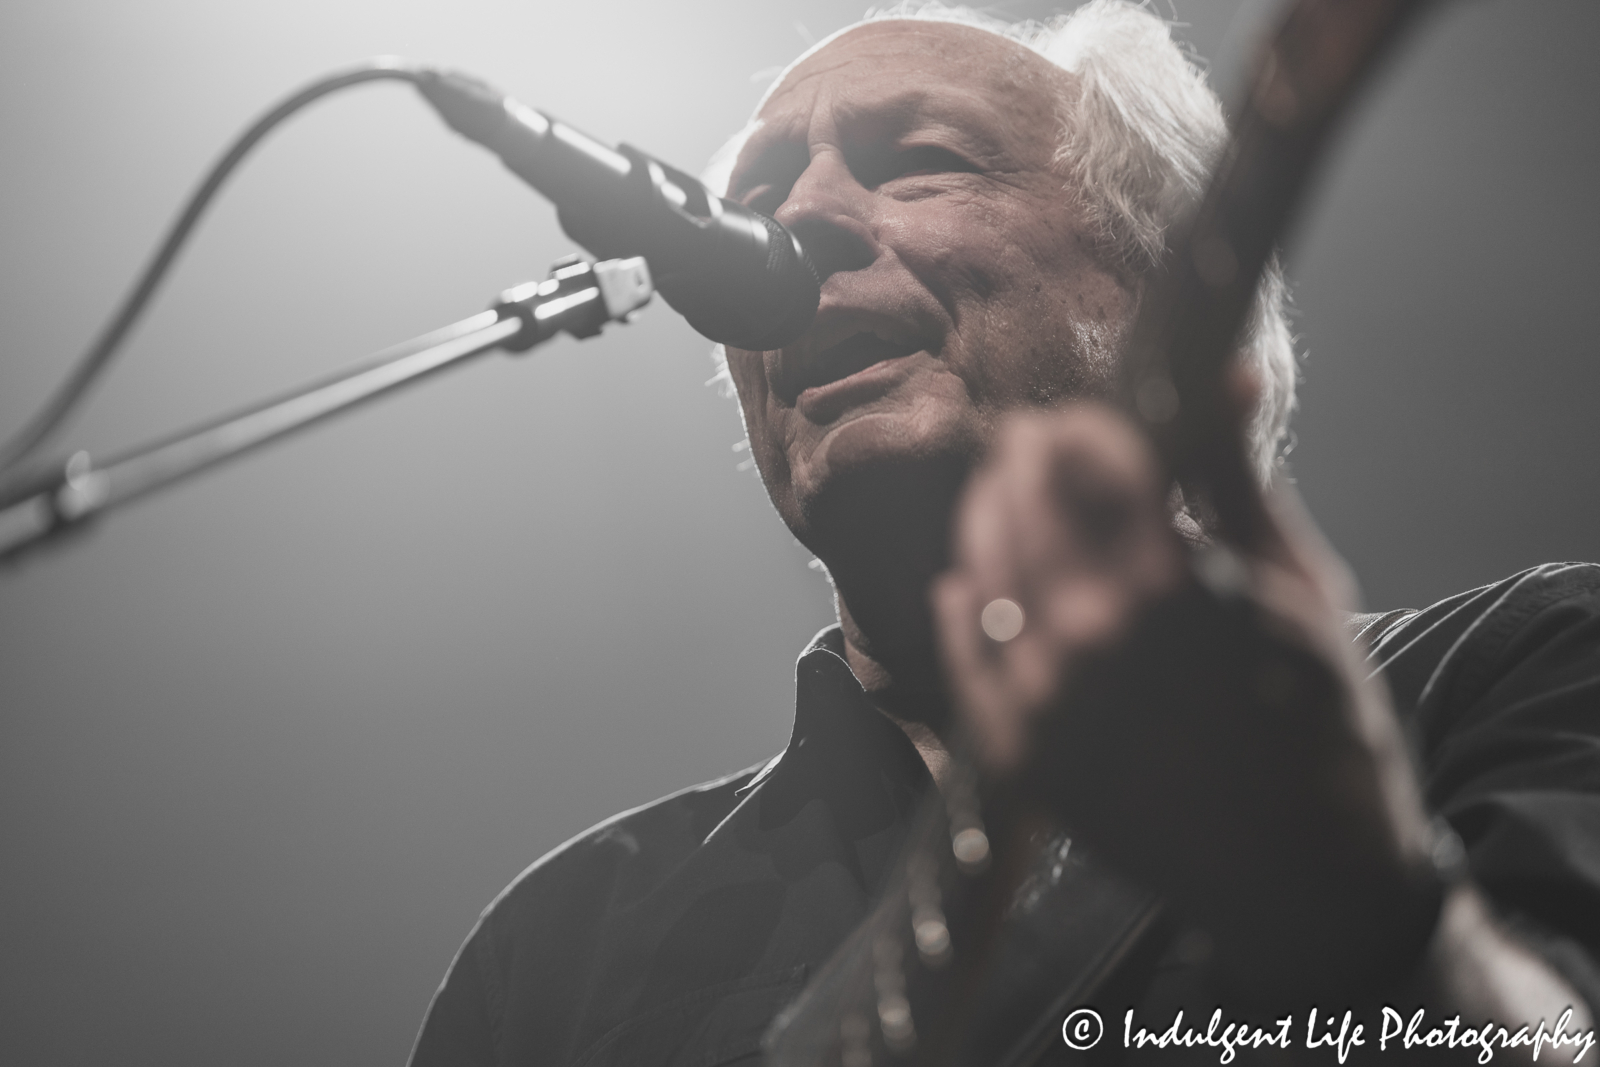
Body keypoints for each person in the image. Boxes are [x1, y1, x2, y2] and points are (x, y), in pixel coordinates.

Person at [409, 4, 1600, 1065]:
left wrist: (1385, 930)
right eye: (758, 199)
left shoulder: (1527, 669)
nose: (804, 218)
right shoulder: (556, 949)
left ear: (1152, 285)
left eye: (918, 164)